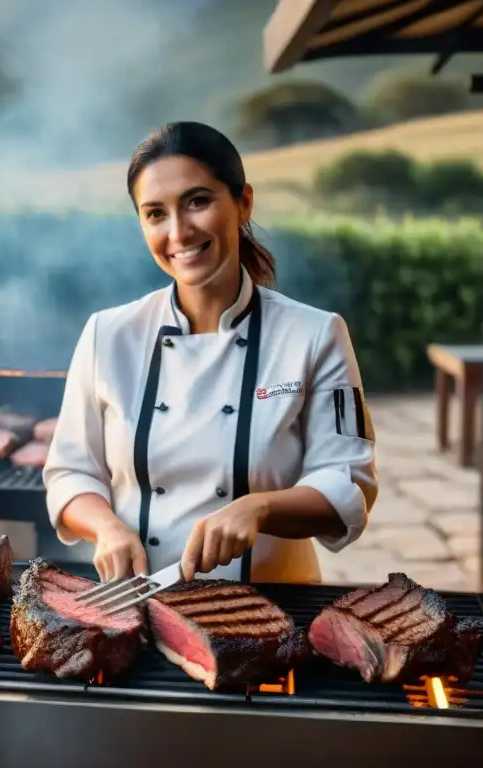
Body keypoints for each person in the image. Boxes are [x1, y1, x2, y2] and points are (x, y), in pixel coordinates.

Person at [43, 121, 377, 585]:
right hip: (138, 605)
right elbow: (70, 473)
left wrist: (260, 508)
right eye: (155, 213)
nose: (178, 232)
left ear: (243, 203)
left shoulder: (316, 334)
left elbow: (348, 483)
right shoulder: (108, 334)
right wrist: (106, 528)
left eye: (197, 201)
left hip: (272, 615)